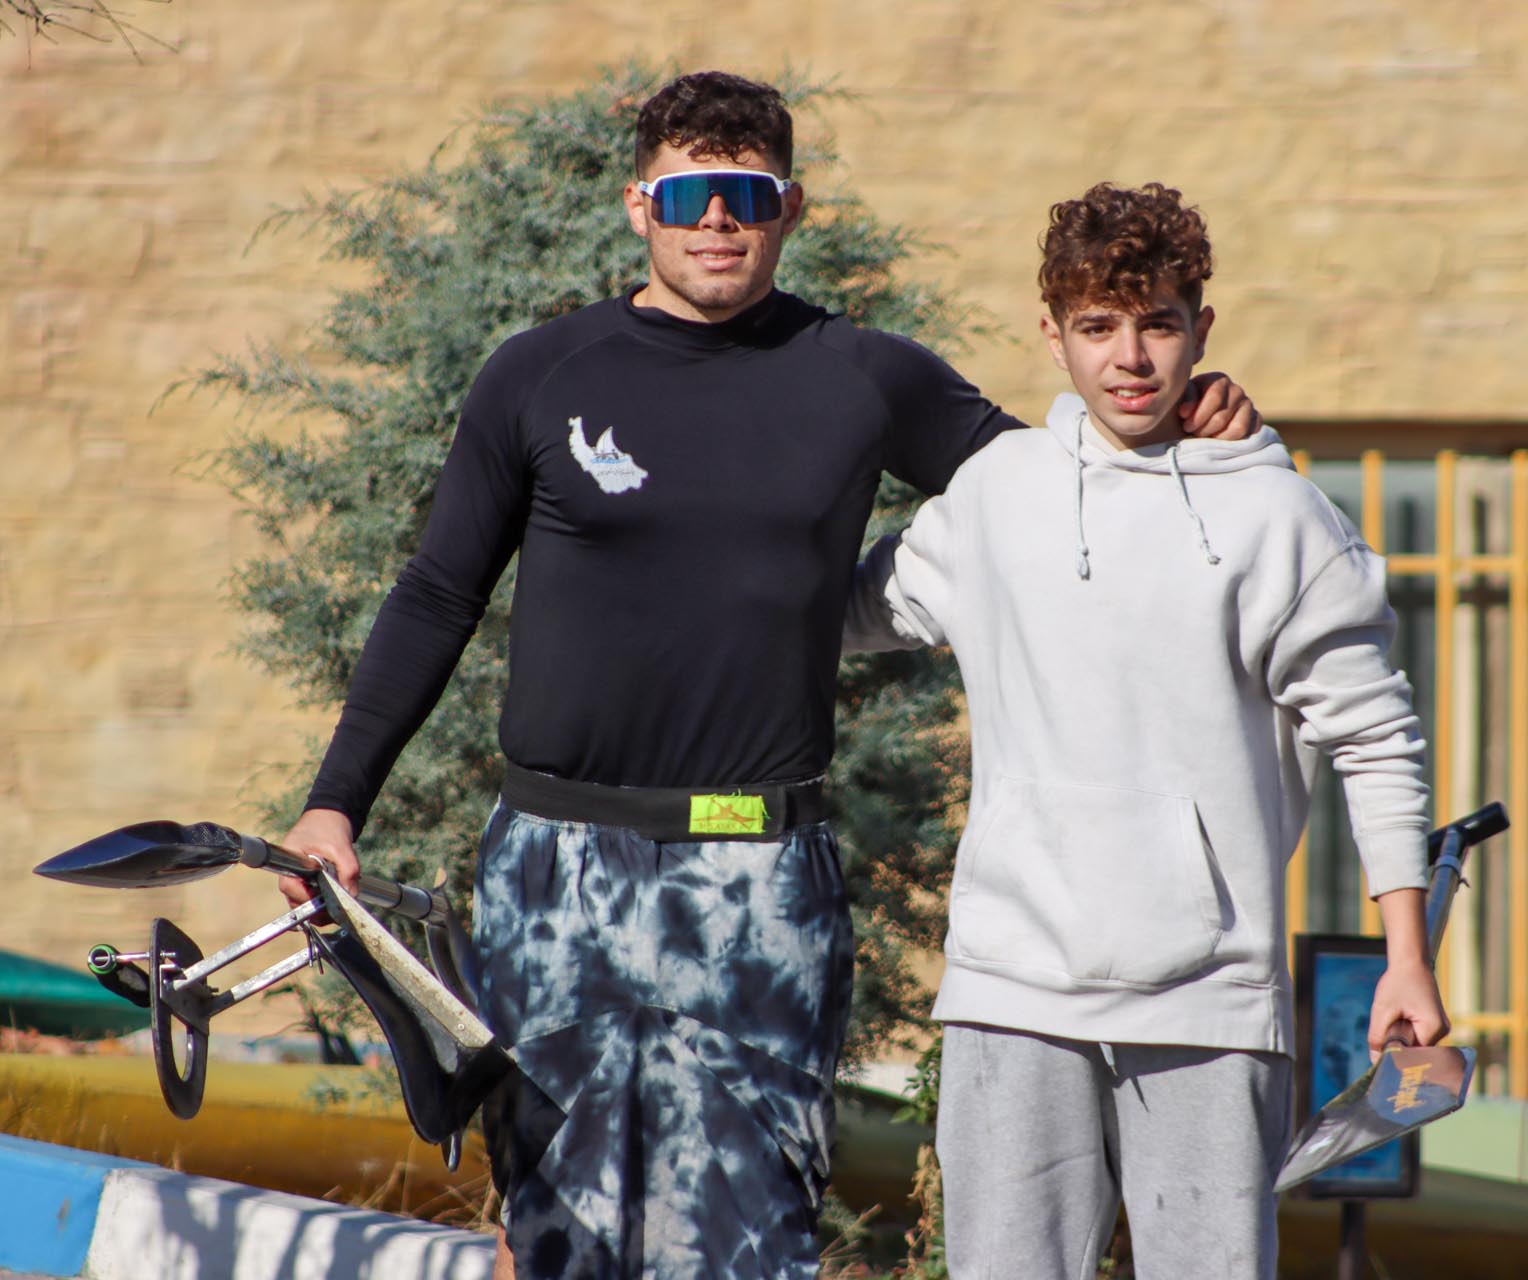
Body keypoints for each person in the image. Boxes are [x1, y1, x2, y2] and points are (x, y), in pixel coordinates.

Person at [271, 74, 1259, 1280]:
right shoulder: (539, 374)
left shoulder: (865, 377)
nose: (716, 220)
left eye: (745, 195)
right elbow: (437, 593)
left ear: (789, 208)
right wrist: (336, 800)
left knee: (750, 1244)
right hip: (555, 872)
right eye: (688, 193)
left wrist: (1192, 422)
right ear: (639, 205)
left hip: (762, 879)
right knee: (560, 1236)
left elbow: (1060, 492)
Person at [843, 181, 1448, 1278]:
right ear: (1053, 336)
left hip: (1209, 997)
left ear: (1201, 330)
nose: (1130, 357)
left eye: (1158, 325)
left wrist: (1407, 958)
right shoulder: (996, 495)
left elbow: (1376, 738)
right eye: (1098, 327)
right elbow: (823, 613)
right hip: (1012, 983)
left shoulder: (1279, 518)